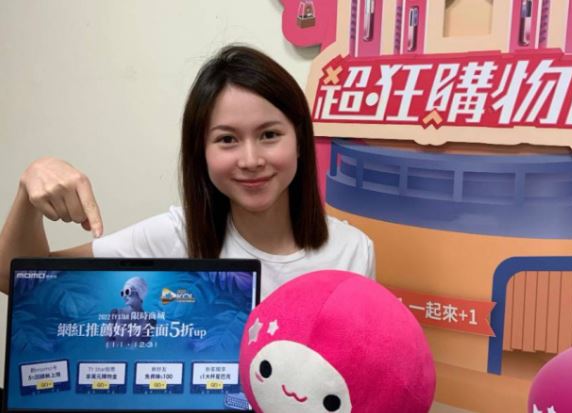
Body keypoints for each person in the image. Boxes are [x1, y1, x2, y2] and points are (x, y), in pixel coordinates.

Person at [0, 45, 375, 299]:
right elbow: (17, 280)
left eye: (269, 135)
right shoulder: (176, 235)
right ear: (201, 152)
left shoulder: (352, 251)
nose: (250, 159)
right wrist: (28, 190)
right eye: (227, 139)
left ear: (300, 141)